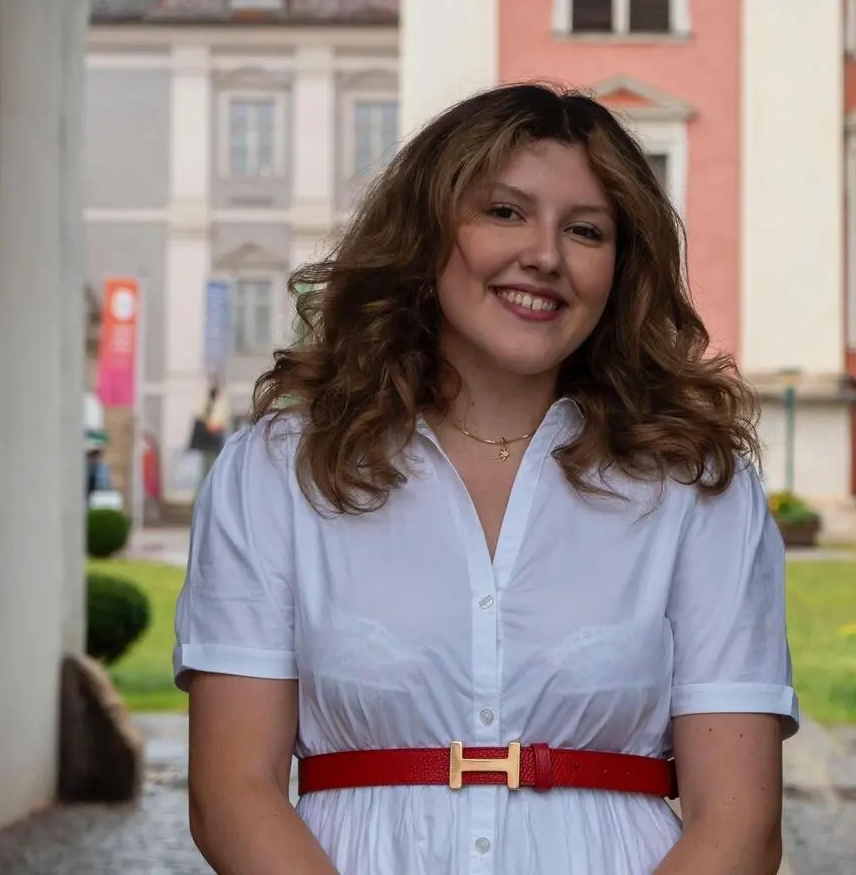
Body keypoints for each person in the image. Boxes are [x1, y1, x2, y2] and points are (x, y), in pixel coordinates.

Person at [173, 83, 799, 875]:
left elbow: (739, 822)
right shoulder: (279, 470)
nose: (545, 254)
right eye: (505, 212)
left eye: (585, 230)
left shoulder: (695, 485)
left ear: (621, 269)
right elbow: (232, 792)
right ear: (427, 232)